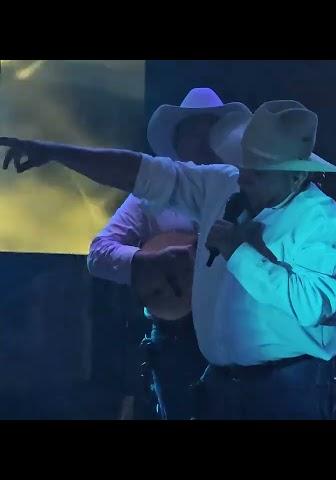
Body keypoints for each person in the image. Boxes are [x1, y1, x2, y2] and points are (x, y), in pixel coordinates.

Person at [1, 99, 336, 419]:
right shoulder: (223, 185)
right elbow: (143, 172)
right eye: (244, 165)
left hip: (286, 391)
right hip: (222, 385)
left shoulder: (322, 222)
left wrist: (238, 253)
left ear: (296, 176)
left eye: (257, 172)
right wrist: (57, 153)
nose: (243, 178)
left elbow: (312, 304)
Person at [87, 87, 248, 419]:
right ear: (178, 140)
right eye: (194, 134)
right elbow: (99, 254)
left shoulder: (244, 191)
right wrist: (149, 262)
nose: (203, 142)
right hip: (175, 337)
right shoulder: (149, 197)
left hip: (236, 334)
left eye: (211, 133)